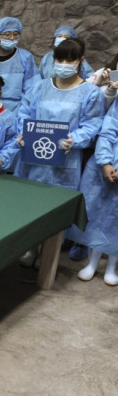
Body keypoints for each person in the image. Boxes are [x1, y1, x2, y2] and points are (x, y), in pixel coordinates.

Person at [15, 38, 105, 266]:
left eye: (70, 59)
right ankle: (29, 247)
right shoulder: (40, 87)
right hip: (34, 160)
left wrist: (75, 139)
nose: (64, 63)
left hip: (65, 161)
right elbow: (25, 113)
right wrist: (23, 132)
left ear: (81, 60)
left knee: (56, 210)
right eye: (59, 59)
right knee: (30, 204)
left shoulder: (90, 93)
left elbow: (93, 125)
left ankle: (48, 255)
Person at [71, 97, 118, 286]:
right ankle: (92, 263)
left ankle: (112, 266)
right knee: (96, 215)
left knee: (116, 220)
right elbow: (108, 132)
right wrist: (105, 161)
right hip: (103, 168)